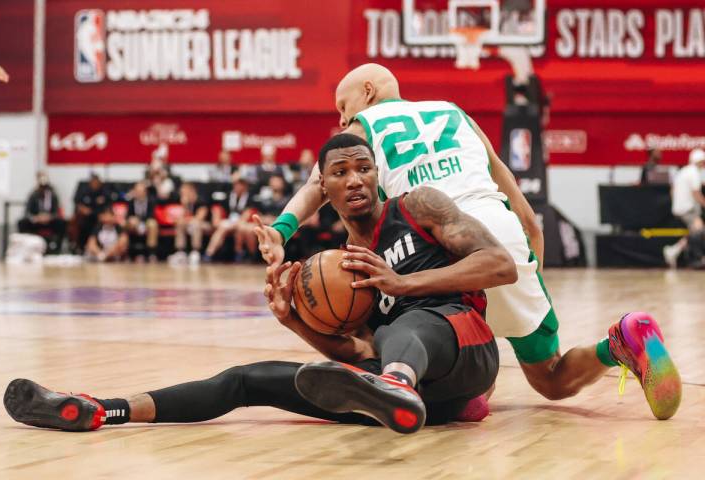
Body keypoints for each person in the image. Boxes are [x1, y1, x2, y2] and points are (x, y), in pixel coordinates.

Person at [3, 133, 515, 434]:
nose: (355, 179)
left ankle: (396, 384)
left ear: (377, 176)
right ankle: (103, 410)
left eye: (365, 169)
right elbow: (351, 350)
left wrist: (403, 284)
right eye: (342, 171)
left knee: (406, 327)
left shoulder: (417, 206)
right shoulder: (337, 264)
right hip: (415, 398)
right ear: (324, 184)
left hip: (466, 350)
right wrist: (293, 320)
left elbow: (499, 265)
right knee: (246, 379)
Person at [257, 63, 682, 420]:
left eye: (342, 108)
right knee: (550, 376)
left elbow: (318, 182)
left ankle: (446, 395)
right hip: (501, 232)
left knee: (396, 332)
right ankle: (621, 341)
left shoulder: (363, 129)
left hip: (434, 238)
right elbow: (525, 209)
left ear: (367, 92)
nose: (340, 122)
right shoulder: (454, 112)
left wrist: (281, 230)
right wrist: (530, 262)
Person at [663, 149, 705, 268]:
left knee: (695, 231)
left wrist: (677, 204)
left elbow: (672, 191)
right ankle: (697, 259)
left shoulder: (682, 172)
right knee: (699, 230)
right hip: (688, 208)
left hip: (679, 208)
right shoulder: (694, 173)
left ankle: (673, 251)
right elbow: (696, 193)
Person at [235, 175, 291, 262]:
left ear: (283, 184)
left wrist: (273, 219)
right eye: (272, 181)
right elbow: (258, 212)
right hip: (264, 222)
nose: (274, 184)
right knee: (247, 228)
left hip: (279, 222)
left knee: (251, 229)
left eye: (277, 181)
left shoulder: (287, 199)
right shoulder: (265, 199)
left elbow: (288, 215)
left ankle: (254, 257)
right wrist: (262, 217)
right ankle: (250, 254)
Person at [202, 177, 255, 262]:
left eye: (240, 185)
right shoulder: (228, 196)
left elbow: (248, 213)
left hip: (244, 223)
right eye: (236, 185)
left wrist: (237, 223)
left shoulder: (251, 198)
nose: (237, 187)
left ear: (245, 187)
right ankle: (209, 253)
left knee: (241, 228)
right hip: (230, 222)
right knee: (222, 228)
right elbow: (219, 210)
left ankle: (244, 254)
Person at [18, 172, 66, 253]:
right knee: (22, 223)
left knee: (62, 223)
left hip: (49, 221)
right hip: (36, 221)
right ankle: (26, 247)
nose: (43, 189)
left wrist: (49, 217)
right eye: (41, 187)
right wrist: (36, 217)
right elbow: (27, 212)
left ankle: (56, 249)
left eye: (45, 187)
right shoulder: (33, 195)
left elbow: (56, 212)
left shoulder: (53, 196)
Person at [168, 183, 211, 265]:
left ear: (192, 191)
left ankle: (196, 252)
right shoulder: (186, 203)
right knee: (180, 224)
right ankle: (181, 252)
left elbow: (199, 218)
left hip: (205, 224)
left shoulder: (201, 200)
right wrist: (185, 206)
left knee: (195, 224)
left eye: (184, 192)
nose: (182, 194)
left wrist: (186, 220)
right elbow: (182, 217)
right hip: (190, 223)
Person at [70, 173, 111, 253]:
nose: (95, 184)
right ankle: (80, 247)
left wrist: (104, 214)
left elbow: (108, 204)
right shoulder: (84, 190)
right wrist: (82, 209)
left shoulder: (104, 191)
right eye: (93, 182)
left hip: (99, 215)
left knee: (101, 223)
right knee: (80, 223)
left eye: (97, 182)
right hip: (86, 216)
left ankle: (98, 247)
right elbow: (77, 202)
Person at [125, 181, 158, 262]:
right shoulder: (131, 201)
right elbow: (128, 216)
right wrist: (135, 221)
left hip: (146, 222)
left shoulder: (151, 201)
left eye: (140, 191)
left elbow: (151, 215)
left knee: (153, 224)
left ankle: (151, 253)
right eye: (137, 191)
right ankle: (127, 252)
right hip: (134, 224)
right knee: (129, 223)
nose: (138, 193)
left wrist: (141, 222)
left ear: (145, 192)